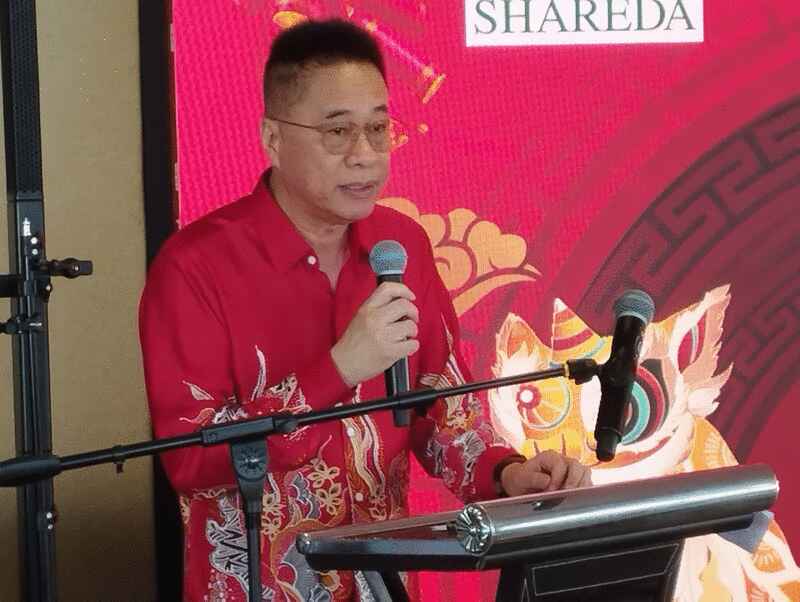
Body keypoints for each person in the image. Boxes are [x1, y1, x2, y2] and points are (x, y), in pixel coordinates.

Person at [139, 18, 591, 602]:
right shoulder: (194, 268)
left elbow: (442, 415)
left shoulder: (400, 248)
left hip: (385, 587)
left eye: (378, 128)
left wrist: (508, 475)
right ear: (272, 138)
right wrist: (339, 369)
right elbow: (190, 462)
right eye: (338, 132)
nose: (365, 155)